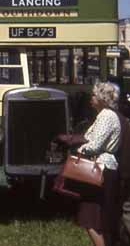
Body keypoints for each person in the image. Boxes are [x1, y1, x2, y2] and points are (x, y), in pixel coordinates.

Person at [58, 82, 125, 246]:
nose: (91, 97)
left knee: (89, 218)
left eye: (94, 95)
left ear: (103, 98)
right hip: (104, 170)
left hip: (100, 170)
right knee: (95, 217)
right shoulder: (106, 115)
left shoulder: (106, 116)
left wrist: (77, 149)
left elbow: (95, 145)